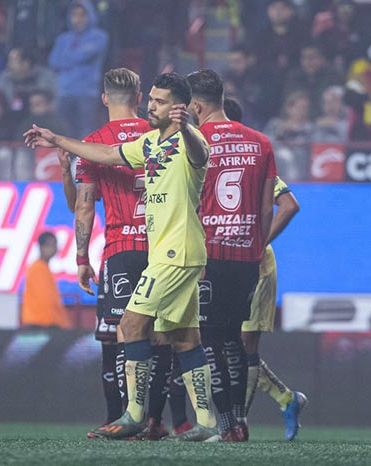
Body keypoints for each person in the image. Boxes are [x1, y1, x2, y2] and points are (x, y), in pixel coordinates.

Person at [25, 73, 219, 442]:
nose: (152, 106)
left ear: (177, 109)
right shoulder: (148, 142)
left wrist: (188, 127)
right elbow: (107, 154)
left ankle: (133, 415)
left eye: (161, 102)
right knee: (183, 337)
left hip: (175, 254)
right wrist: (56, 139)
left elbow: (199, 153)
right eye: (153, 100)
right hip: (171, 252)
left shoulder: (191, 143)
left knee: (130, 326)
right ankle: (208, 424)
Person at [186, 69, 276, 442]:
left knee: (209, 341)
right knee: (234, 340)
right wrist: (255, 246)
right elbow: (267, 208)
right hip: (246, 256)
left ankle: (225, 424)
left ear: (194, 105)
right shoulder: (261, 143)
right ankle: (239, 420)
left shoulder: (191, 141)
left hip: (208, 257)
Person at [225, 97, 308, 442]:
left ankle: (237, 425)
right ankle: (287, 399)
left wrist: (258, 243)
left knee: (245, 343)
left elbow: (289, 205)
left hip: (255, 265)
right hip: (222, 261)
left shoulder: (252, 163)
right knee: (225, 343)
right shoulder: (210, 161)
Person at [48, 1, 108, 140]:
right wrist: (75, 57)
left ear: (90, 15)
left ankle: (83, 161)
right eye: (74, 15)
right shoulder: (62, 38)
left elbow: (82, 56)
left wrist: (67, 58)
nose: (77, 19)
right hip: (64, 92)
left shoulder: (100, 36)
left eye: (82, 15)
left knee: (85, 132)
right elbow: (53, 61)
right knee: (62, 131)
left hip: (87, 93)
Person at [21, 231, 72, 329]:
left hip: (48, 323)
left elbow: (53, 300)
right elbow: (46, 301)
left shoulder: (44, 268)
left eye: (55, 245)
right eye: (49, 245)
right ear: (41, 247)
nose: (53, 249)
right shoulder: (36, 269)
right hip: (39, 324)